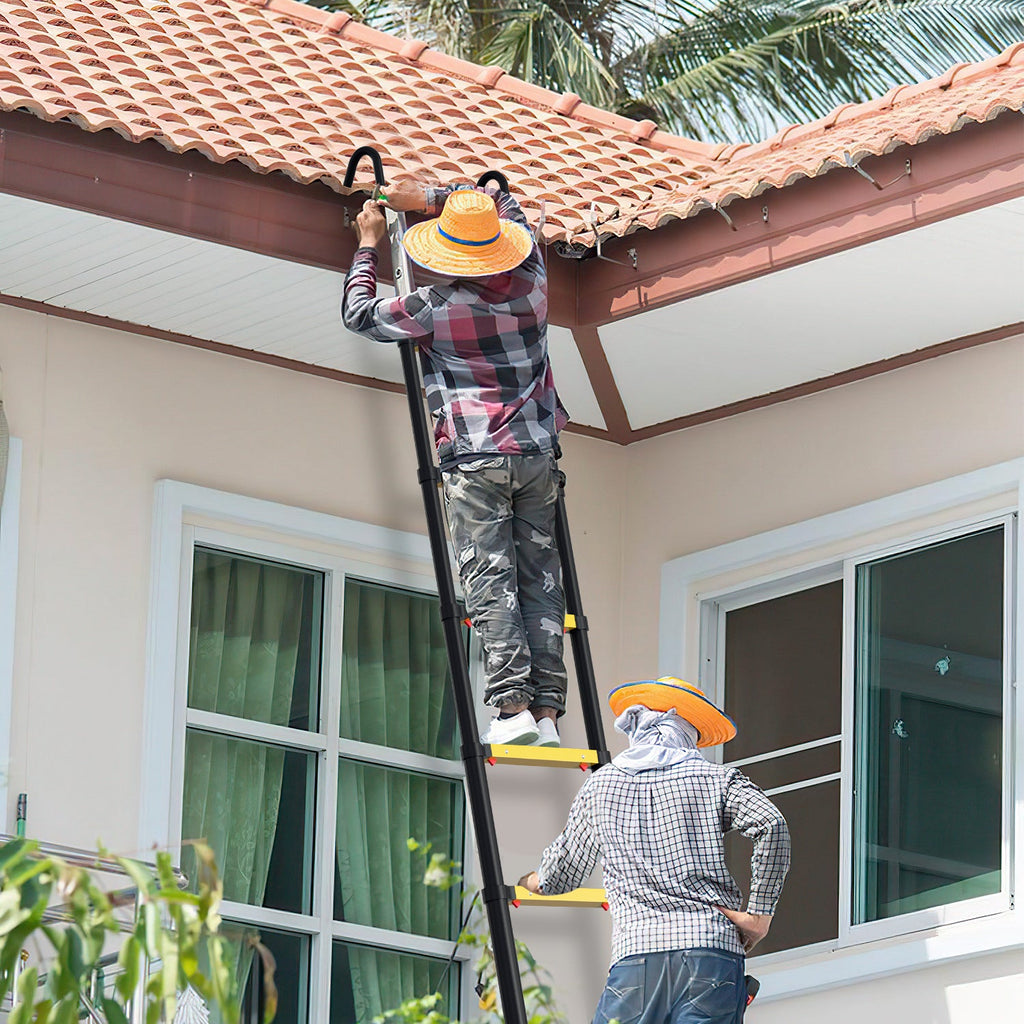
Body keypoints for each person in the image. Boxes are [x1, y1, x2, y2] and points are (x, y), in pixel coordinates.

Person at [342, 181, 569, 748]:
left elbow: (360, 316)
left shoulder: (435, 308)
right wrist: (441, 195)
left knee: (491, 580)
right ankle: (546, 715)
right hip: (537, 454)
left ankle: (511, 707)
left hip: (475, 457)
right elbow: (505, 199)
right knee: (541, 580)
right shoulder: (535, 287)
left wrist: (369, 244)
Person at [519, 677, 791, 1024]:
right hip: (708, 949)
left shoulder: (601, 785)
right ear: (687, 730)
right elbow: (772, 824)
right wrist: (759, 918)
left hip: (637, 958)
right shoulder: (713, 778)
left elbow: (561, 876)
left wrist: (532, 880)